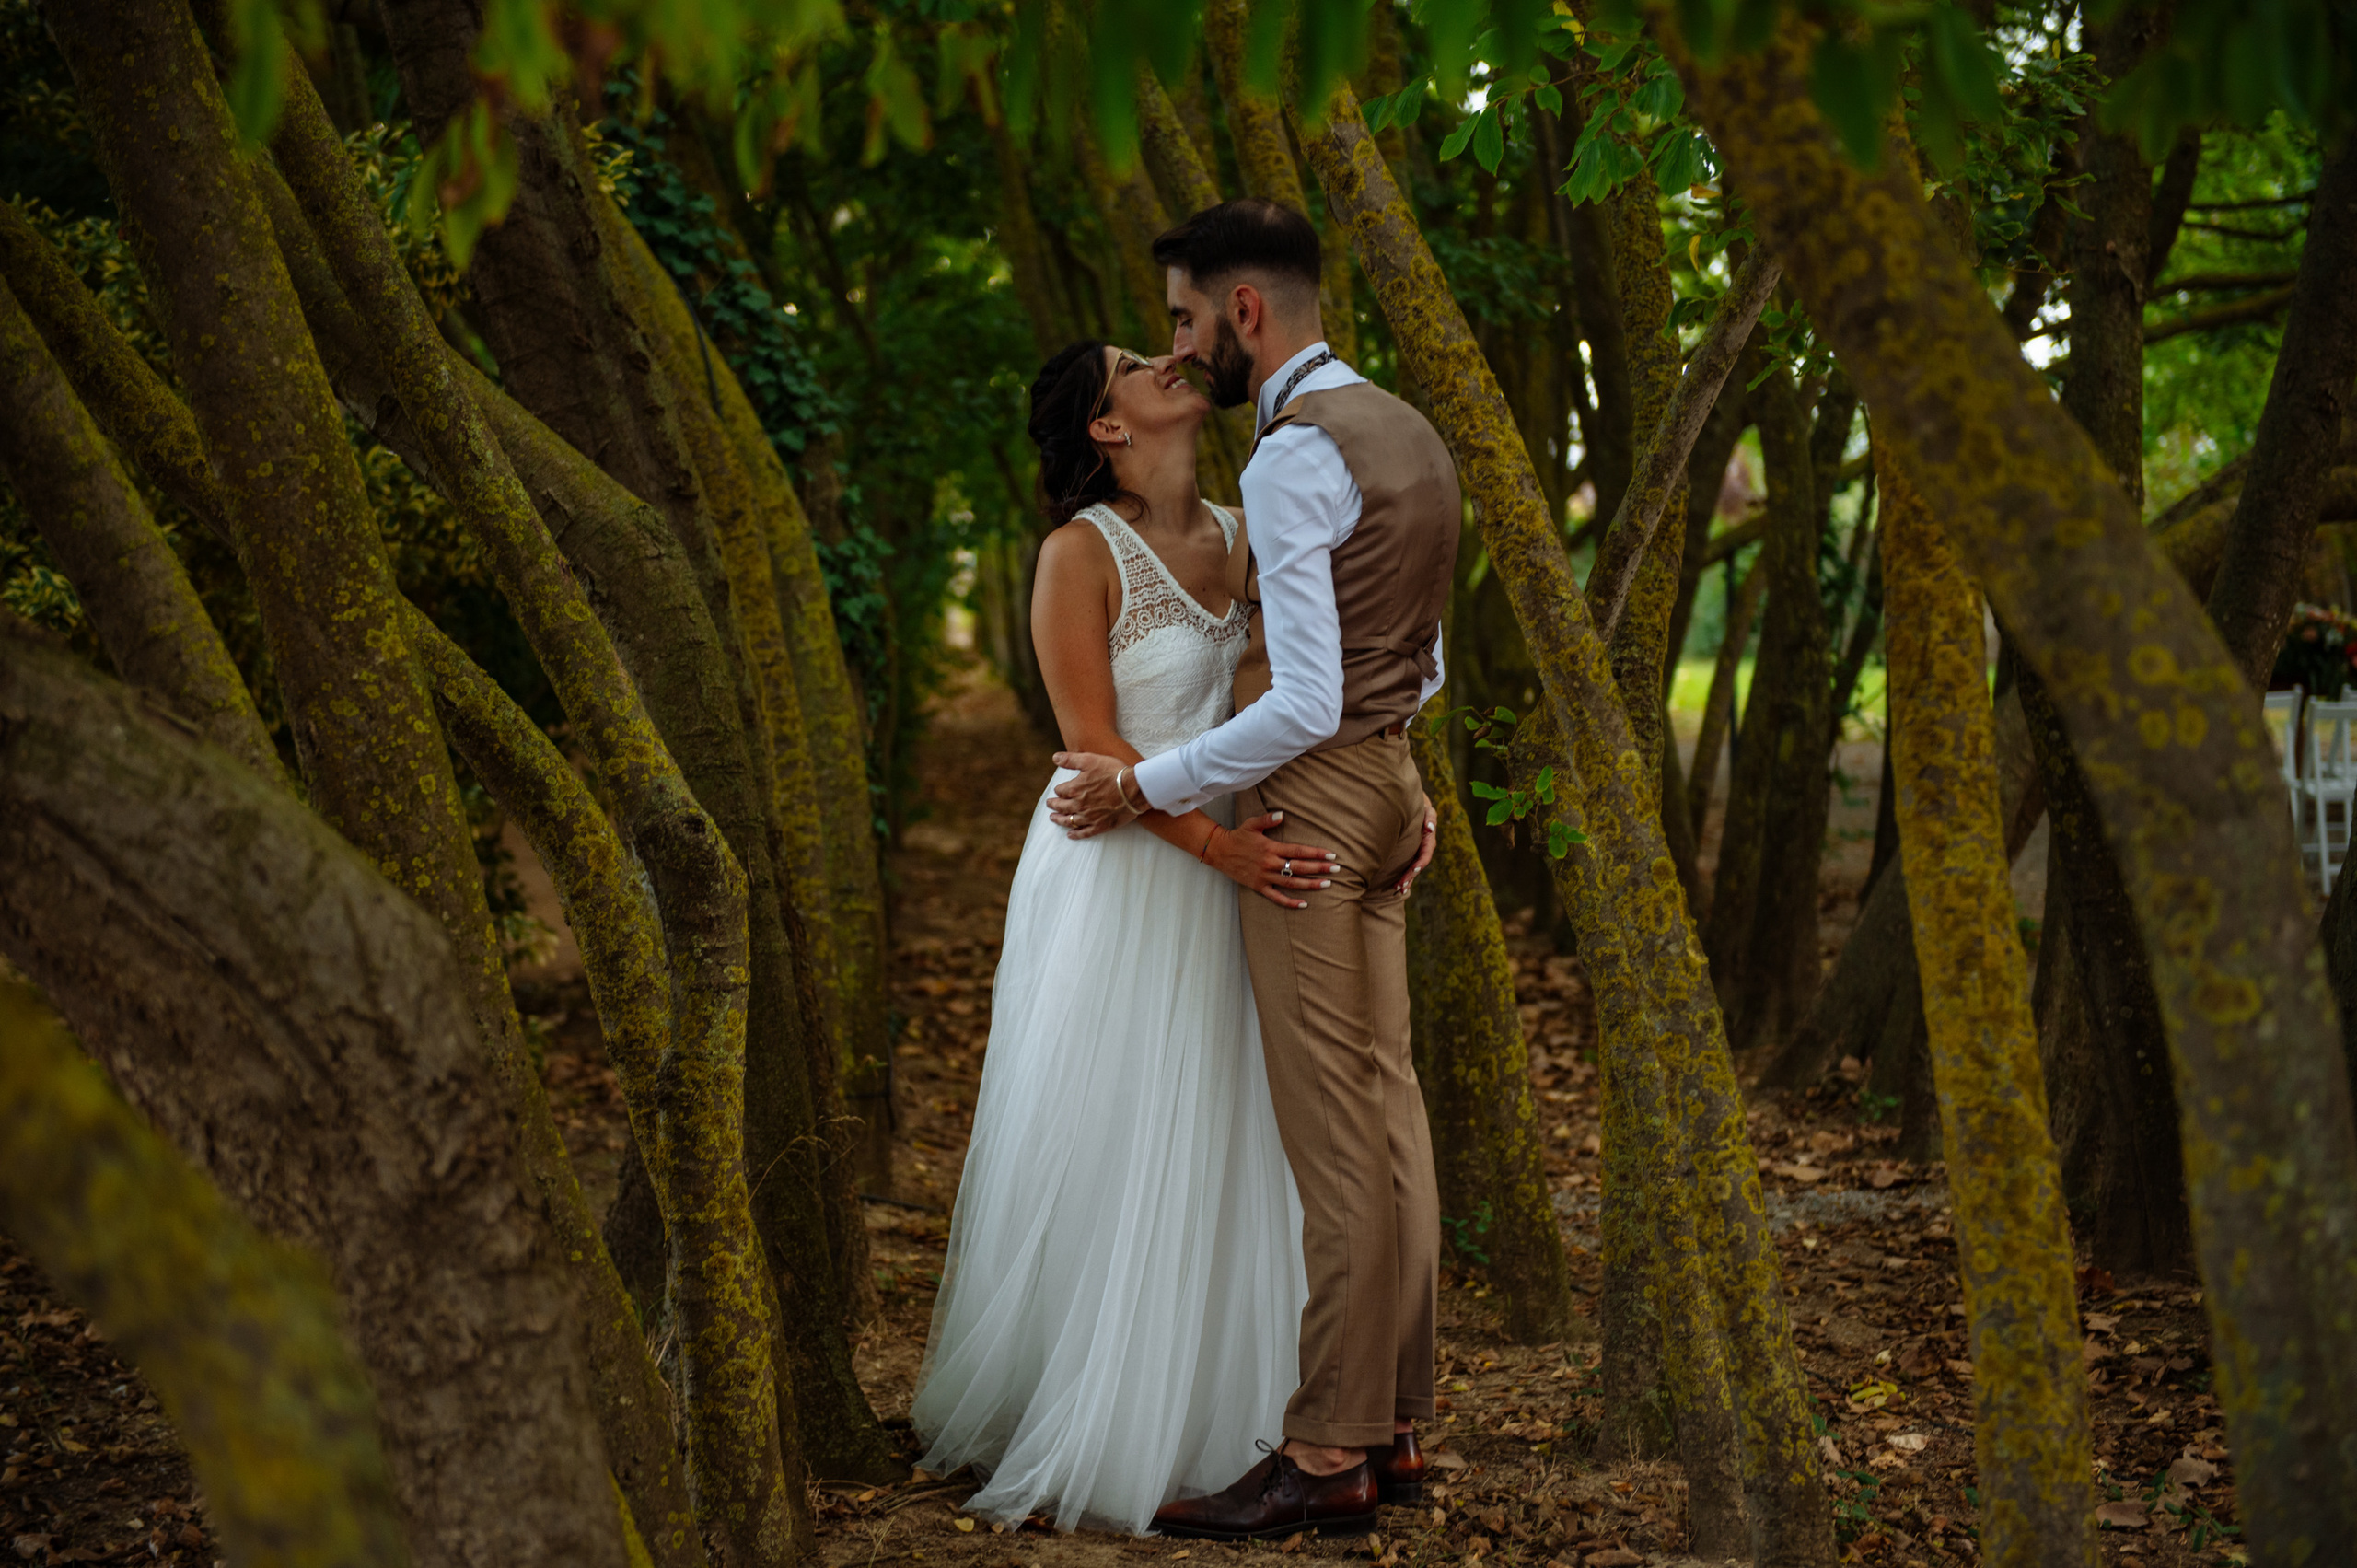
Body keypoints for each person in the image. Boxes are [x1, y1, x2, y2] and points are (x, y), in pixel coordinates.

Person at [1050, 198, 1458, 1542]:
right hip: (1385, 784)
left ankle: (1327, 1448)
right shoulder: (1406, 430)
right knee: (1389, 1112)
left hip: (1313, 801)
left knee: (1336, 1137)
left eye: (1182, 319)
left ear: (1241, 311)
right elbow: (1418, 655)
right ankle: (1398, 1424)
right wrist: (1403, 780)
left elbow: (1307, 697)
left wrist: (1146, 786)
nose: (1178, 347)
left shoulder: (1292, 455)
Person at [911, 338, 1342, 1533]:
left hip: (1231, 869)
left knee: (1230, 1125)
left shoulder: (1248, 532)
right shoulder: (1076, 554)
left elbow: (1306, 689)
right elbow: (1090, 747)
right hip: (1124, 878)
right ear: (1105, 427)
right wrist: (1216, 845)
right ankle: (1101, 1414)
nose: (1170, 361)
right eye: (1135, 365)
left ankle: (1226, 1417)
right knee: (1120, 1131)